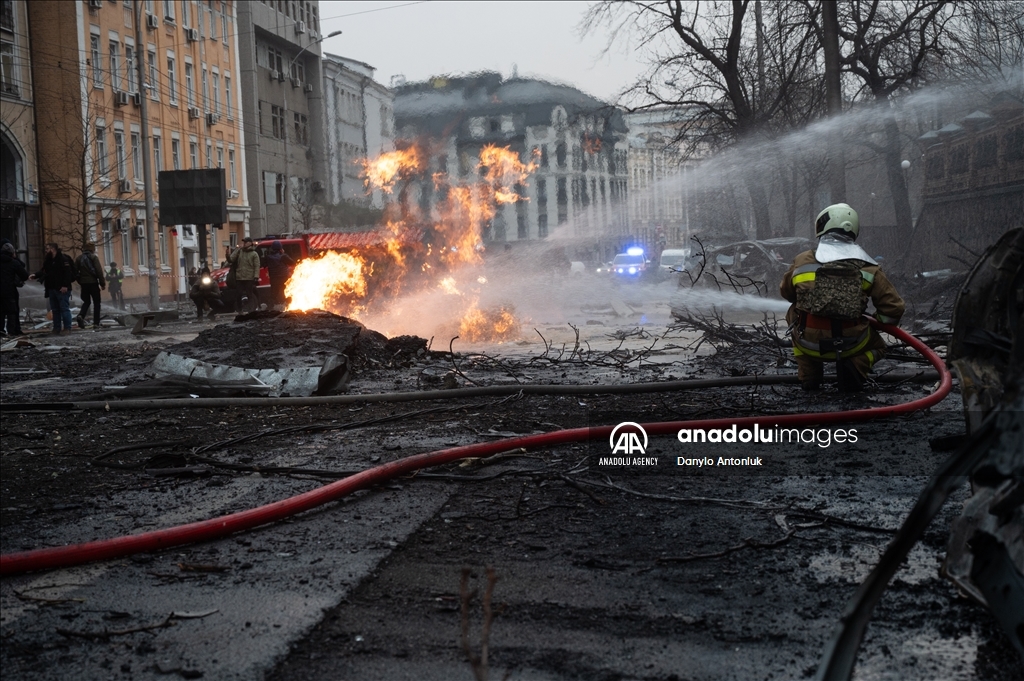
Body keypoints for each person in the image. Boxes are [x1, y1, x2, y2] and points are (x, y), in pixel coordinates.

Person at [780, 203, 905, 392]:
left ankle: (809, 375)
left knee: (794, 312)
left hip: (808, 344)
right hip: (852, 344)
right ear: (853, 230)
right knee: (879, 346)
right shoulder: (869, 268)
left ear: (821, 228)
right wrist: (876, 322)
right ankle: (855, 366)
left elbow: (787, 294)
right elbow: (893, 309)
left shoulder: (802, 260)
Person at [31, 242, 77, 334]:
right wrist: (35, 275)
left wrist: (65, 286)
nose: (46, 251)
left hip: (62, 289)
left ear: (52, 249)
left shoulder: (63, 259)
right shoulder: (48, 260)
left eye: (47, 249)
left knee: (64, 308)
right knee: (55, 310)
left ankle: (67, 328)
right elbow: (44, 270)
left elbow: (67, 273)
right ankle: (56, 328)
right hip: (51, 288)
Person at [75, 242, 106, 329]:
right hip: (93, 283)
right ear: (92, 249)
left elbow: (74, 272)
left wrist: (80, 281)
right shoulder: (93, 258)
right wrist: (102, 283)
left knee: (86, 302)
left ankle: (81, 315)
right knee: (96, 303)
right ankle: (96, 323)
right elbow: (99, 271)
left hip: (84, 284)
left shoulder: (79, 258)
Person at [1, 241, 29, 336]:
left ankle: (1, 331)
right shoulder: (13, 262)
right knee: (12, 312)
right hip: (10, 291)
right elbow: (24, 275)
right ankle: (12, 332)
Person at [229, 237, 261, 313]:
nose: (244, 243)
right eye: (244, 242)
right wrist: (228, 254)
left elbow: (257, 265)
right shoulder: (240, 252)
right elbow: (231, 259)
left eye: (246, 242)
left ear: (250, 243)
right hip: (240, 277)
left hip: (249, 278)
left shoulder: (254, 254)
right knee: (238, 294)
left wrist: (256, 276)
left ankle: (251, 310)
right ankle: (240, 310)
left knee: (249, 294)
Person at [265, 240, 294, 310]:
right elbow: (292, 262)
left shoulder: (268, 257)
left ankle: (271, 308)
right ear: (280, 249)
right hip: (283, 278)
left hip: (273, 278)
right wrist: (283, 253)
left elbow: (264, 265)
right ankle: (285, 307)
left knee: (273, 294)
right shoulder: (283, 256)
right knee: (283, 292)